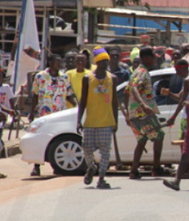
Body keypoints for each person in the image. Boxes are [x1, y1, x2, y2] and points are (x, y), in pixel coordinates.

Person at [76, 47, 118, 189]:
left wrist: (115, 122)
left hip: (106, 122)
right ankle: (91, 167)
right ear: (97, 63)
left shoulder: (112, 78)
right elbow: (83, 101)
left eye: (106, 61)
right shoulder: (88, 79)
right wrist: (78, 120)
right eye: (102, 62)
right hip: (90, 122)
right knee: (87, 149)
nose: (105, 64)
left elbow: (114, 102)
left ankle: (101, 178)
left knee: (105, 152)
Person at [29, 54, 77, 176]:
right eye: (57, 61)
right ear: (50, 62)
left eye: (60, 61)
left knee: (57, 140)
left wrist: (78, 106)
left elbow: (70, 94)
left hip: (60, 114)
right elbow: (35, 95)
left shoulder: (64, 77)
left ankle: (56, 166)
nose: (59, 64)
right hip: (44, 114)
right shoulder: (40, 76)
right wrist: (31, 112)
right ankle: (36, 166)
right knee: (40, 139)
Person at [125, 47, 166, 179]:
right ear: (146, 58)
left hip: (135, 114)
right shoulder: (142, 72)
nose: (154, 60)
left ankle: (134, 170)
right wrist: (143, 105)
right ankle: (156, 167)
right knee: (159, 135)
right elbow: (135, 89)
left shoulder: (135, 72)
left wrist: (128, 112)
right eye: (153, 57)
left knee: (142, 140)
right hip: (143, 113)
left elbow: (127, 92)